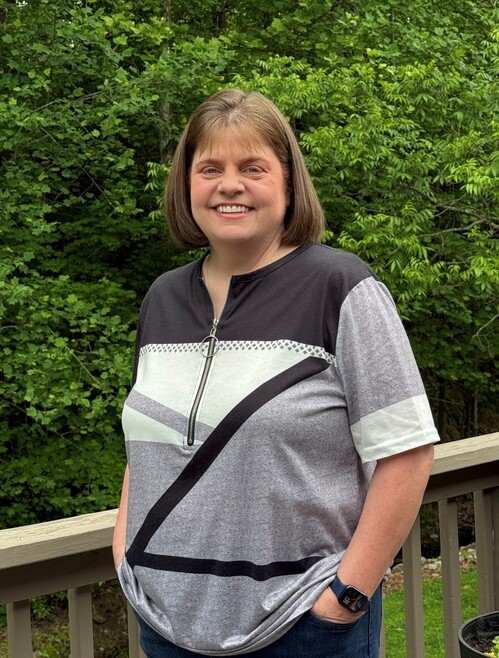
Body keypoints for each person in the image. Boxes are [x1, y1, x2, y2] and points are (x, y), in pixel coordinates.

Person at [113, 88, 439, 658]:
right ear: (186, 184)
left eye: (252, 168)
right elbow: (151, 440)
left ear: (288, 183)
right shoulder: (162, 298)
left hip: (302, 625)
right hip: (165, 625)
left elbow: (406, 452)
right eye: (210, 168)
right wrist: (125, 553)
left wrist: (348, 595)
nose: (229, 185)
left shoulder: (339, 287)